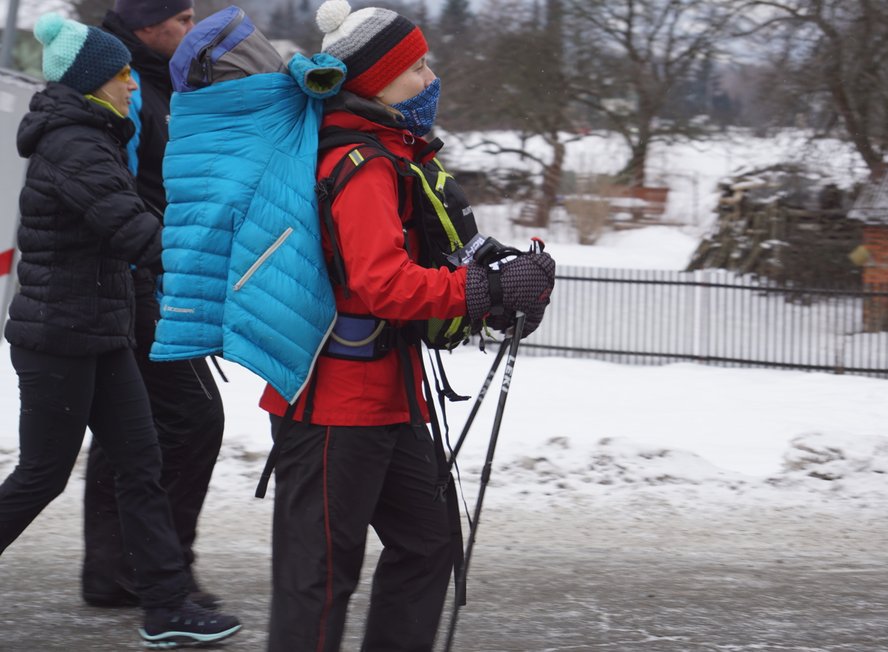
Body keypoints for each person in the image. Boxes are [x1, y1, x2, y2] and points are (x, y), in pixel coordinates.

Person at [257, 1, 556, 650]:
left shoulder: (392, 156)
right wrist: (486, 290)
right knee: (320, 576)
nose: (430, 78)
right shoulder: (360, 165)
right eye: (416, 66)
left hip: (386, 397)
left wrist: (491, 281)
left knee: (428, 542)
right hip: (333, 404)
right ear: (377, 79)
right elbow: (381, 284)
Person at [0, 13, 241, 647]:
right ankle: (162, 599)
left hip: (101, 333)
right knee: (42, 476)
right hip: (57, 338)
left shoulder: (96, 135)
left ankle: (165, 607)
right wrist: (218, 252)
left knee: (142, 464)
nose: (133, 86)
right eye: (122, 75)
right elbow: (134, 229)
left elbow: (135, 222)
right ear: (94, 82)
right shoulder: (73, 145)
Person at [82, 0, 226, 609]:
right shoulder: (127, 84)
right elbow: (128, 188)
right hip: (139, 280)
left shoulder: (158, 76)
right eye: (184, 20)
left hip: (141, 278)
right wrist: (160, 255)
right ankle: (159, 571)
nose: (193, 30)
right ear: (147, 27)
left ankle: (116, 571)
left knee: (129, 430)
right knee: (192, 419)